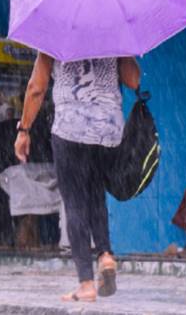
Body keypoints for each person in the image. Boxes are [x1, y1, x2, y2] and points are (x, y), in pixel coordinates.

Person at [14, 54, 140, 303]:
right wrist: (121, 54)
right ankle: (105, 255)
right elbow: (134, 80)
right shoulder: (112, 36)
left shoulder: (54, 38)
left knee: (75, 203)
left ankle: (86, 283)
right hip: (107, 128)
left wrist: (24, 129)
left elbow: (36, 87)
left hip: (70, 128)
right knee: (96, 193)